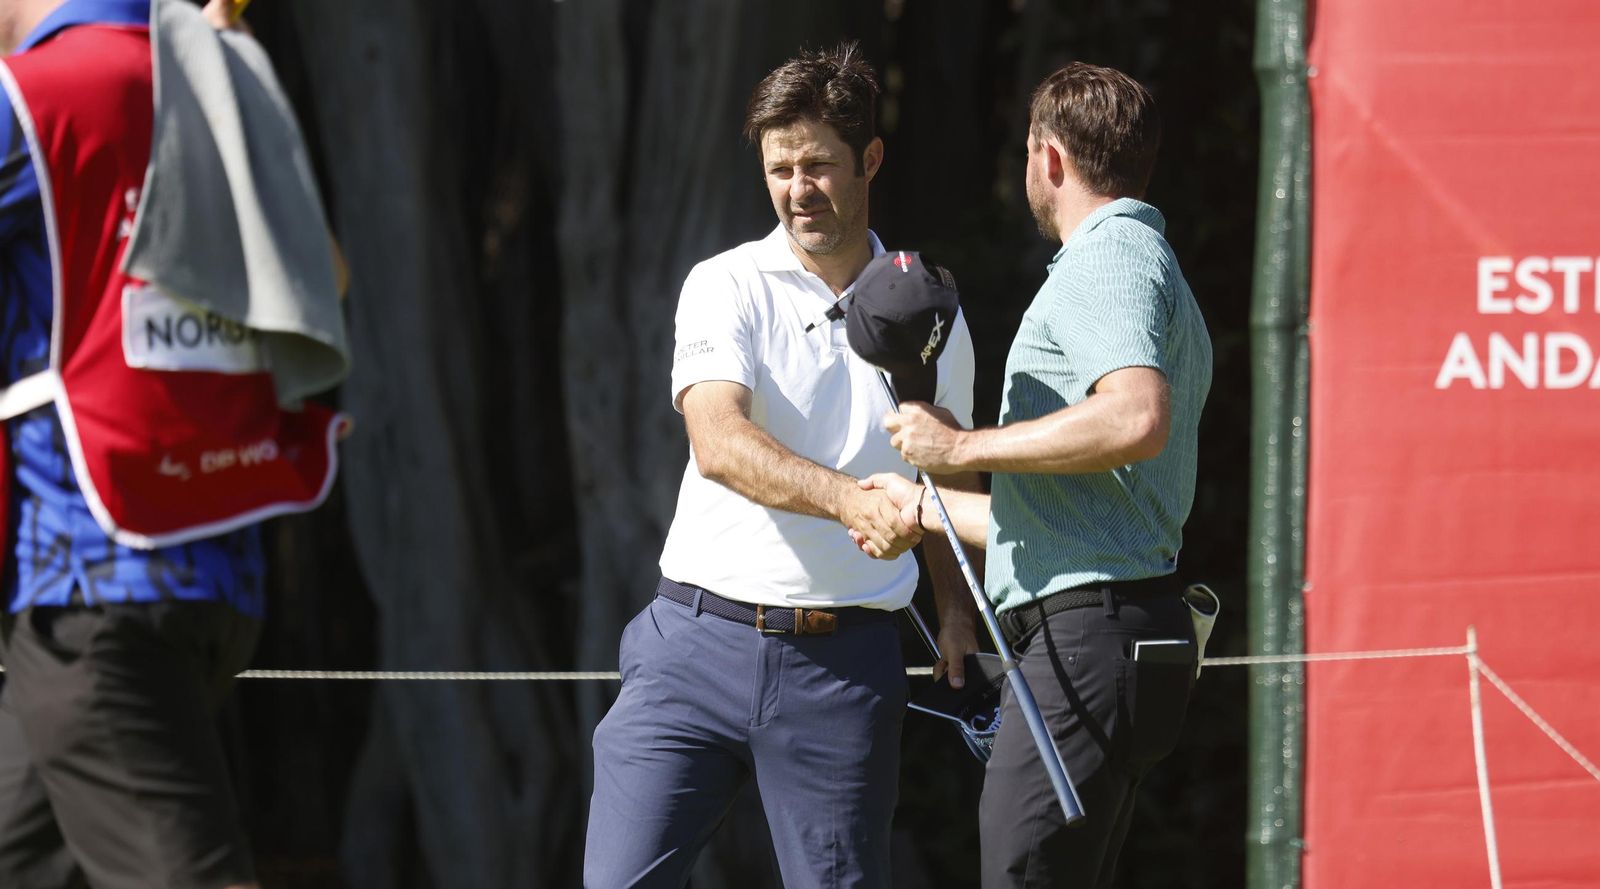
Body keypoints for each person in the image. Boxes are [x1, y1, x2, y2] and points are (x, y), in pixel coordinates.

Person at [583, 43, 980, 889]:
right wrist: (846, 501)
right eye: (779, 168)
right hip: (690, 645)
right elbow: (718, 442)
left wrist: (954, 611)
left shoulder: (929, 310)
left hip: (845, 666)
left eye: (819, 165)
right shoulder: (725, 285)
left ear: (870, 159)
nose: (798, 188)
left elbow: (945, 470)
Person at [0, 1, 347, 886]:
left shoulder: (27, 94)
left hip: (87, 587)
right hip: (220, 579)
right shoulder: (228, 74)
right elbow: (328, 279)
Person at [860, 62, 1214, 888]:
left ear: (1048, 157)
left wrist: (963, 447)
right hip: (1112, 632)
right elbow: (1068, 518)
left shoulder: (1110, 254)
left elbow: (1135, 416)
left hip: (1087, 643)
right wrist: (923, 502)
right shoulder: (1140, 257)